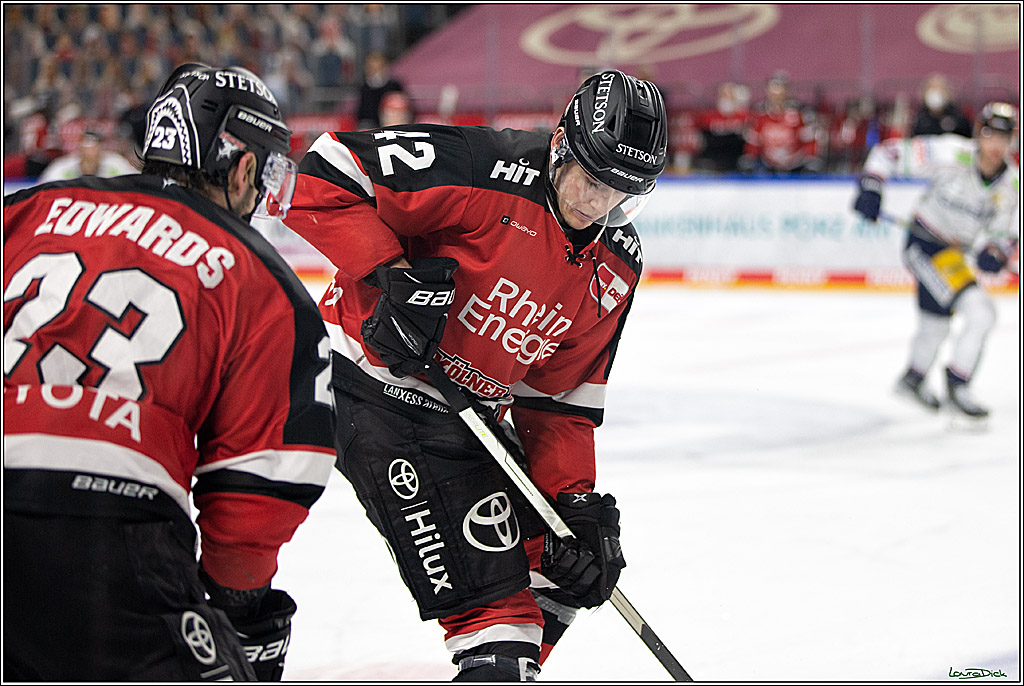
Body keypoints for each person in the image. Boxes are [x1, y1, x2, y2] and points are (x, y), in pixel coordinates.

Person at [283, 69, 667, 680]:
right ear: (562, 146)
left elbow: (560, 400)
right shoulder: (482, 166)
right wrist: (388, 275)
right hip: (371, 388)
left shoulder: (616, 261)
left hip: (470, 416)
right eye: (592, 181)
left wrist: (574, 502)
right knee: (498, 621)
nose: (600, 206)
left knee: (570, 568)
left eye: (622, 194)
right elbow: (323, 174)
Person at [3, 63, 337, 680]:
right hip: (104, 537)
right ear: (242, 168)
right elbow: (265, 480)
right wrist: (241, 601)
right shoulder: (258, 277)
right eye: (263, 176)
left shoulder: (27, 212)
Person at [852, 102, 1019, 419]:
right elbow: (888, 154)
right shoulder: (951, 154)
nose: (996, 145)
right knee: (980, 313)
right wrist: (872, 185)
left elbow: (1006, 231)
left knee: (936, 325)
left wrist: (995, 252)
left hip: (952, 254)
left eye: (1004, 137)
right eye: (990, 135)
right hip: (924, 243)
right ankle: (959, 385)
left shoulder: (1012, 183)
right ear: (978, 134)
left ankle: (913, 379)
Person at [740, 71, 820, 175]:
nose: (776, 95)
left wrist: (811, 159)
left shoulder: (800, 111)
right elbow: (753, 140)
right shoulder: (758, 113)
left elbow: (809, 139)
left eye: (780, 89)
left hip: (796, 165)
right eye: (773, 90)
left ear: (787, 91)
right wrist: (749, 158)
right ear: (767, 91)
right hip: (768, 165)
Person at [37, 129, 138, 183]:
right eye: (86, 146)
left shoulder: (116, 165)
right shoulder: (62, 168)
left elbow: (136, 182)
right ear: (79, 149)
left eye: (94, 146)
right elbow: (44, 187)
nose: (90, 152)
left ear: (101, 148)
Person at [693, 81, 751, 173]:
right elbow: (702, 140)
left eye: (729, 95)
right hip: (713, 159)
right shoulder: (708, 117)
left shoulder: (744, 117)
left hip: (735, 160)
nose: (726, 98)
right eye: (723, 95)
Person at [354, 51, 405, 130]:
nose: (375, 72)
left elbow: (403, 106)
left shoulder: (394, 86)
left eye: (378, 68)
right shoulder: (364, 87)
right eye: (372, 68)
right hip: (369, 125)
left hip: (391, 124)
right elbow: (362, 112)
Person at [911, 73, 972, 138]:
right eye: (931, 88)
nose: (935, 93)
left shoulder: (959, 120)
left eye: (940, 88)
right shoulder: (918, 120)